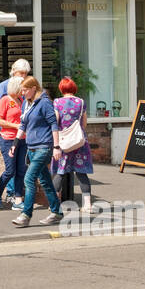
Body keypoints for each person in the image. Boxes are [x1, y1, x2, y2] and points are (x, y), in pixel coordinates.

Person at [12, 75, 62, 228]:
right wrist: (15, 143)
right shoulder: (28, 104)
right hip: (32, 148)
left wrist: (56, 147)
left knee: (28, 179)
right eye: (22, 90)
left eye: (25, 90)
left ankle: (26, 215)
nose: (23, 93)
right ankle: (56, 212)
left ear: (34, 88)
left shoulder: (44, 102)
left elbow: (54, 124)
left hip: (44, 147)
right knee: (46, 182)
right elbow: (23, 125)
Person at [52, 77, 96, 213]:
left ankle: (55, 204)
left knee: (60, 172)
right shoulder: (81, 102)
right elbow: (84, 124)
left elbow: (56, 122)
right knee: (82, 172)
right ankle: (87, 204)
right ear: (74, 88)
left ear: (61, 88)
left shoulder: (57, 102)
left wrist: (56, 145)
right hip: (79, 142)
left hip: (64, 143)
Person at [0, 77, 26, 210]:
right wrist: (15, 125)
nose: (23, 90)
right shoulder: (5, 100)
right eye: (22, 87)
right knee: (10, 170)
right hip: (8, 139)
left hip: (22, 139)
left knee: (21, 170)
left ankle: (18, 200)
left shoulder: (21, 100)